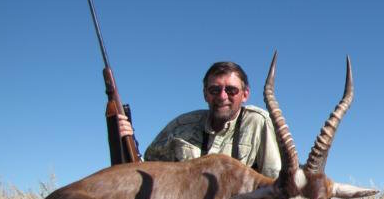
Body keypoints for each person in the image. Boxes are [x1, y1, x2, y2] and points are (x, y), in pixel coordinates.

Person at [118, 61, 282, 178]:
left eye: (231, 90)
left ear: (245, 94)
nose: (222, 96)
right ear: (205, 94)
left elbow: (273, 179)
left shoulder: (258, 122)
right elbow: (147, 166)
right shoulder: (182, 126)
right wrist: (128, 141)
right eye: (214, 90)